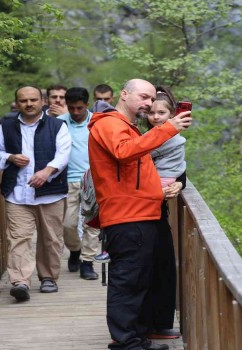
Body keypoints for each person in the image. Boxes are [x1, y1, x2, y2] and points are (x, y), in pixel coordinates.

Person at [88, 79, 191, 350]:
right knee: (128, 280)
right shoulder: (109, 123)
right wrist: (168, 128)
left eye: (150, 99)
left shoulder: (127, 127)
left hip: (139, 213)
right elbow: (124, 153)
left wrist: (179, 180)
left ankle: (136, 337)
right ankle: (126, 342)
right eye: (143, 97)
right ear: (124, 95)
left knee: (138, 279)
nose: (148, 103)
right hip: (127, 214)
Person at [0, 86, 72, 302]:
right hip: (17, 193)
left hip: (50, 193)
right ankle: (20, 282)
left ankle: (48, 277)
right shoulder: (6, 125)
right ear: (16, 102)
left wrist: (47, 172)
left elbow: (64, 154)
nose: (29, 104)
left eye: (33, 100)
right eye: (23, 100)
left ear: (42, 101)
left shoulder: (57, 125)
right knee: (18, 238)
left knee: (51, 239)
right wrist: (9, 157)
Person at [143, 86, 187, 339]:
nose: (156, 117)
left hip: (158, 207)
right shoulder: (140, 136)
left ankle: (159, 322)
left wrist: (180, 183)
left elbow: (180, 169)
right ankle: (148, 323)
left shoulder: (172, 139)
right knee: (149, 265)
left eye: (162, 113)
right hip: (139, 206)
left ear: (171, 114)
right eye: (151, 112)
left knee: (164, 264)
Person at [56, 87, 101, 280]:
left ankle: (88, 262)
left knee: (91, 224)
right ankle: (75, 250)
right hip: (68, 181)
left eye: (79, 108)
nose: (75, 112)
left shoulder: (97, 123)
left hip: (93, 180)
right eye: (72, 108)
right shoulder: (59, 123)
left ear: (87, 105)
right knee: (68, 224)